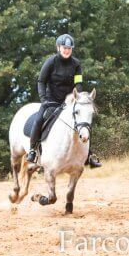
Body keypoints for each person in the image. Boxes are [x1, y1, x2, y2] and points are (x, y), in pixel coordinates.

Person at [26, 34, 101, 168]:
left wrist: (77, 96)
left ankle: (89, 154)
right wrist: (43, 99)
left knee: (84, 121)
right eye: (64, 48)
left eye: (69, 48)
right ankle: (33, 150)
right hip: (51, 100)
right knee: (39, 119)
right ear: (58, 48)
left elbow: (78, 84)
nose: (67, 50)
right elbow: (41, 81)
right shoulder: (50, 62)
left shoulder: (76, 64)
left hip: (69, 101)